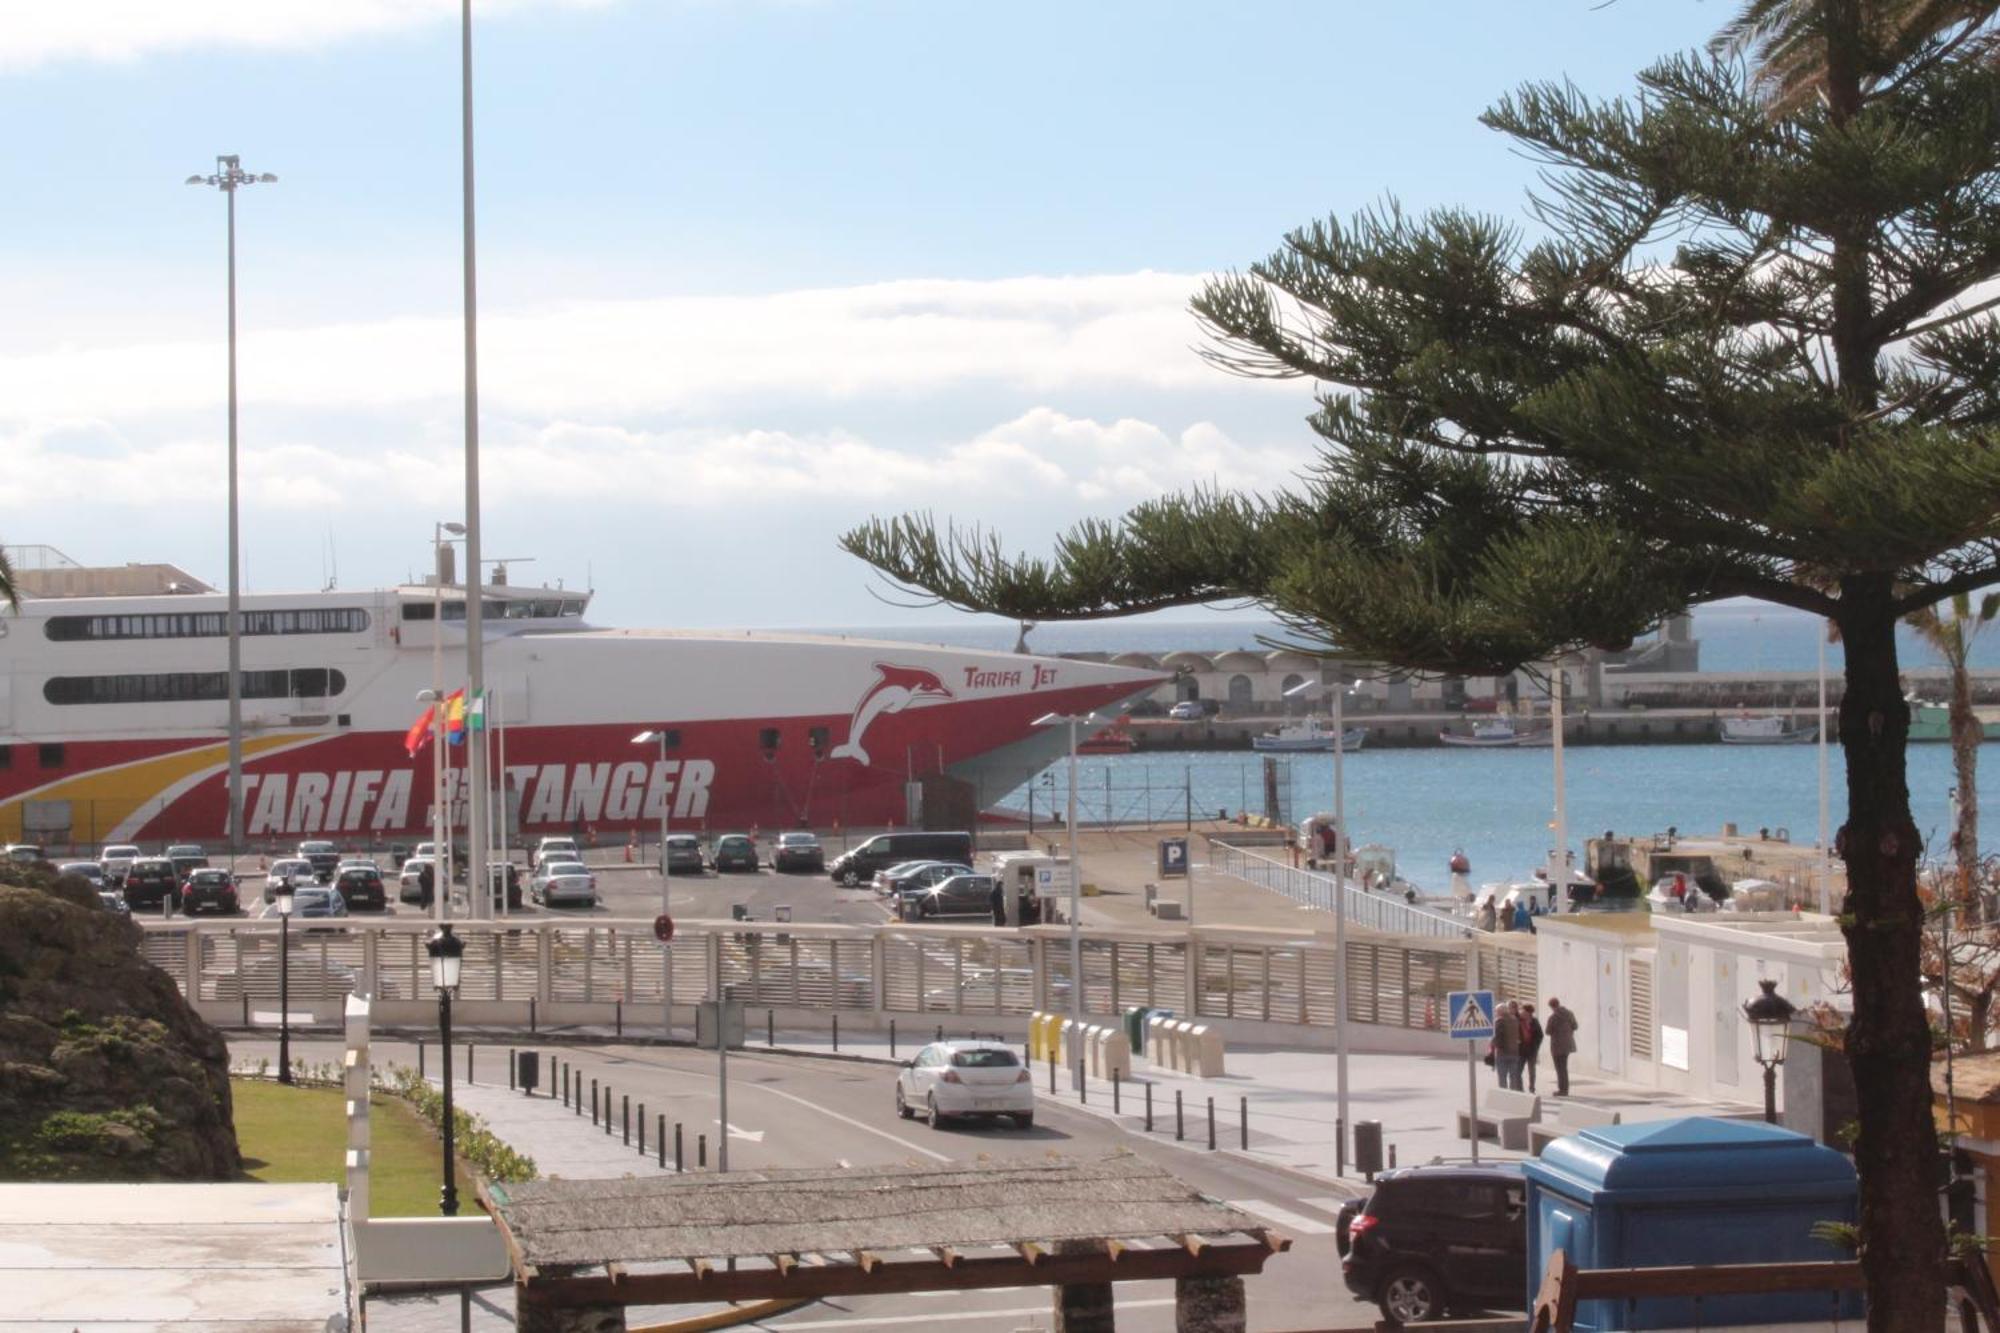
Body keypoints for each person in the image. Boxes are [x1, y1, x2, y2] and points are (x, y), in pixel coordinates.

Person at [1546, 997, 1579, 1097]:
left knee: (1560, 1068)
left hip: (1557, 1045)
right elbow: (1575, 1026)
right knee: (1564, 1067)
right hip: (1568, 1044)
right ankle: (1565, 1089)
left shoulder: (1553, 1017)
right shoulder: (1569, 1013)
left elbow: (1548, 1031)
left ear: (1551, 1006)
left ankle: (1562, 1090)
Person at [1492, 1000, 1523, 1090]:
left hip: (1502, 1053)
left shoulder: (1499, 1021)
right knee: (1513, 1076)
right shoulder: (1515, 1020)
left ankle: (1504, 1096)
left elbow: (1496, 1037)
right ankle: (1513, 1094)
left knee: (1502, 1077)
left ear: (1500, 1011)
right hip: (1514, 1052)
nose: (1496, 1013)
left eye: (1496, 1011)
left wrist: (1493, 1043)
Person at [1521, 1003, 1545, 1093]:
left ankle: (1532, 1087)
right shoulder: (1520, 1021)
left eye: (1523, 1010)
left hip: (1532, 1050)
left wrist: (1536, 1046)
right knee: (1518, 1070)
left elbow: (1540, 1035)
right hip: (1521, 1050)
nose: (1522, 1011)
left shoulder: (1535, 1021)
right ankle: (1519, 1088)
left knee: (1532, 1070)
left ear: (1528, 1012)